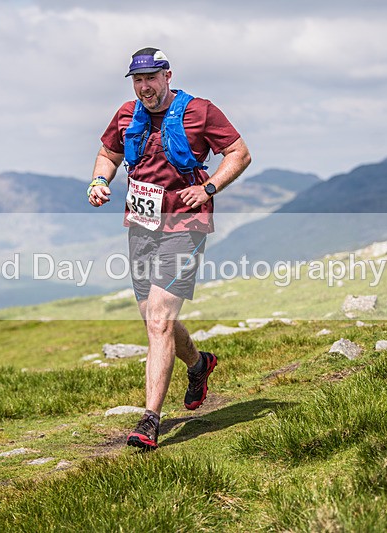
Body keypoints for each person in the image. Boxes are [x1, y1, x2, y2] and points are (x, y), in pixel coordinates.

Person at [88, 47, 251, 451]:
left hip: (186, 226)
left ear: (167, 76)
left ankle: (149, 420)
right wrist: (98, 181)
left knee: (159, 321)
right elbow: (108, 154)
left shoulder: (200, 111)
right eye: (137, 80)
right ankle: (199, 364)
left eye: (151, 78)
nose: (144, 86)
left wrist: (209, 186)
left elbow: (239, 153)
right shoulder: (126, 114)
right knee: (152, 318)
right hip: (142, 226)